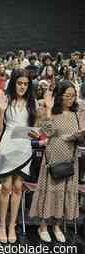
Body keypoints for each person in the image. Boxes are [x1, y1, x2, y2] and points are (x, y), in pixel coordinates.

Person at [29, 80, 85, 243]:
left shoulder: (77, 112)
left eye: (73, 95)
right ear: (59, 96)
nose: (71, 99)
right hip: (54, 154)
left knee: (65, 192)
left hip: (70, 156)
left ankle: (57, 225)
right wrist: (47, 112)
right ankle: (43, 226)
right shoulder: (52, 111)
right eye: (67, 95)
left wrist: (79, 136)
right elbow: (47, 133)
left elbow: (81, 139)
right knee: (51, 190)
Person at [0, 69, 38, 243]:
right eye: (20, 83)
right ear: (14, 83)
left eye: (26, 84)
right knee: (5, 188)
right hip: (6, 147)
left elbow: (37, 129)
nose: (23, 87)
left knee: (18, 188)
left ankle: (12, 225)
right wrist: (0, 110)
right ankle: (2, 225)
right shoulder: (5, 100)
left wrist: (36, 134)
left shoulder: (32, 104)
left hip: (24, 148)